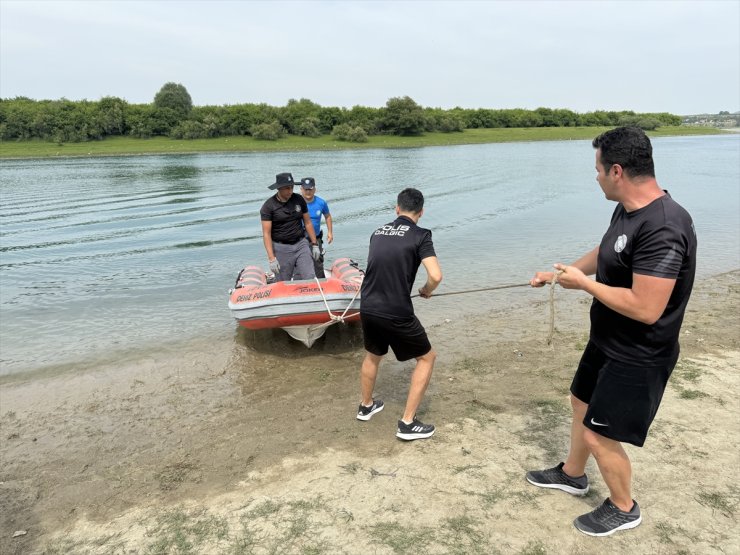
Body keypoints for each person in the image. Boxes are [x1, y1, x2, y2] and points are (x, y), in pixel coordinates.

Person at [526, 126, 697, 536]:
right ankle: (572, 474)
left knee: (600, 436)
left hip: (639, 351)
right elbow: (608, 251)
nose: (596, 176)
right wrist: (562, 272)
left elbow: (646, 308)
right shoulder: (627, 208)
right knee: (580, 402)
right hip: (607, 338)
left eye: (598, 169)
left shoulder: (665, 226)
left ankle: (624, 507)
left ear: (616, 170)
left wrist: (584, 286)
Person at [356, 188, 443, 441]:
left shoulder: (378, 232)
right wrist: (427, 290)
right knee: (427, 358)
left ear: (397, 208)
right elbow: (436, 275)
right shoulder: (420, 235)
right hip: (395, 310)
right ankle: (407, 423)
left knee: (373, 355)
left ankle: (366, 406)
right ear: (421, 212)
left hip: (368, 306)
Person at [260, 172, 321, 282]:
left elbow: (307, 222)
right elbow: (266, 234)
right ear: (279, 189)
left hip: (301, 244)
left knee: (309, 276)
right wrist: (271, 258)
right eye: (287, 188)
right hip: (281, 248)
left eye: (292, 187)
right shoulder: (268, 206)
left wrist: (315, 244)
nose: (290, 191)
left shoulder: (299, 199)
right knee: (283, 281)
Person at [299, 177, 333, 278]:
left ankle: (321, 284)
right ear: (301, 189)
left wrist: (330, 232)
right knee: (301, 264)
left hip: (316, 239)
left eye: (310, 189)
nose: (308, 192)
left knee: (318, 262)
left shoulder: (321, 202)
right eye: (305, 189)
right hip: (300, 239)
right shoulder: (296, 202)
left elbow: (327, 216)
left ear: (314, 189)